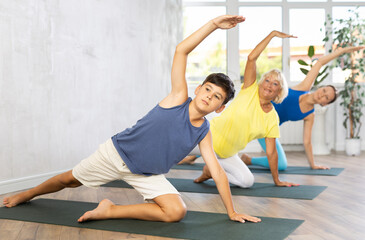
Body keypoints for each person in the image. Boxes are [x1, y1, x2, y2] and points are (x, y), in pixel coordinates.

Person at [3, 15, 261, 224]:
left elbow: (217, 172)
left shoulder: (203, 131)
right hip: (116, 154)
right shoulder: (178, 97)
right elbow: (181, 51)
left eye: (217, 97)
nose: (209, 96)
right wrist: (213, 25)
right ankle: (28, 193)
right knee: (68, 180)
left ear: (220, 108)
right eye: (207, 89)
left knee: (176, 212)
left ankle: (110, 210)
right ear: (198, 89)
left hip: (146, 174)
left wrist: (231, 211)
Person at [180, 31, 299, 188]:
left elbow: (271, 152)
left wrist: (277, 180)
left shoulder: (272, 118)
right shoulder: (250, 89)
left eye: (275, 84)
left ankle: (209, 172)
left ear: (280, 91)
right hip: (205, 138)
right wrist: (271, 35)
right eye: (267, 80)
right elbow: (251, 58)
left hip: (226, 154)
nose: (269, 85)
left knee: (246, 181)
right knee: (172, 150)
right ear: (261, 82)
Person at [241, 45, 365, 170]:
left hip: (266, 130)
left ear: (325, 104)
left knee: (281, 165)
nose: (322, 94)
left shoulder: (309, 115)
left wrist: (313, 165)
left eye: (326, 97)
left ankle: (249, 160)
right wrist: (342, 51)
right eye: (324, 90)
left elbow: (307, 142)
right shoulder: (303, 87)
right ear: (321, 87)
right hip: (255, 115)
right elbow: (320, 62)